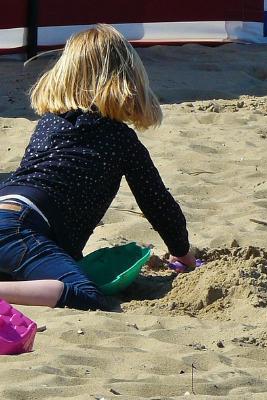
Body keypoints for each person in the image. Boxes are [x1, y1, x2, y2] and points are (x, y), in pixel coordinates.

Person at [0, 24, 195, 310]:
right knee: (85, 293)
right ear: (129, 81)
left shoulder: (50, 124)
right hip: (22, 229)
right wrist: (182, 253)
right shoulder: (120, 139)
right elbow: (157, 202)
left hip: (10, 209)